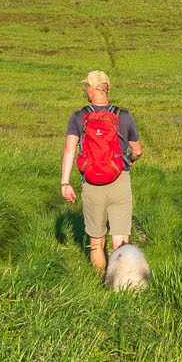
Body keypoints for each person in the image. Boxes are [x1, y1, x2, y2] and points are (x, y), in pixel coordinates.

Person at [59, 69, 143, 272]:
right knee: (121, 242)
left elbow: (70, 150)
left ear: (90, 89)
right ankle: (122, 290)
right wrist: (129, 161)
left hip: (91, 183)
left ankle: (99, 288)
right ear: (107, 89)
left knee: (96, 242)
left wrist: (65, 182)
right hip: (119, 180)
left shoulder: (79, 117)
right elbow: (138, 150)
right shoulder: (124, 116)